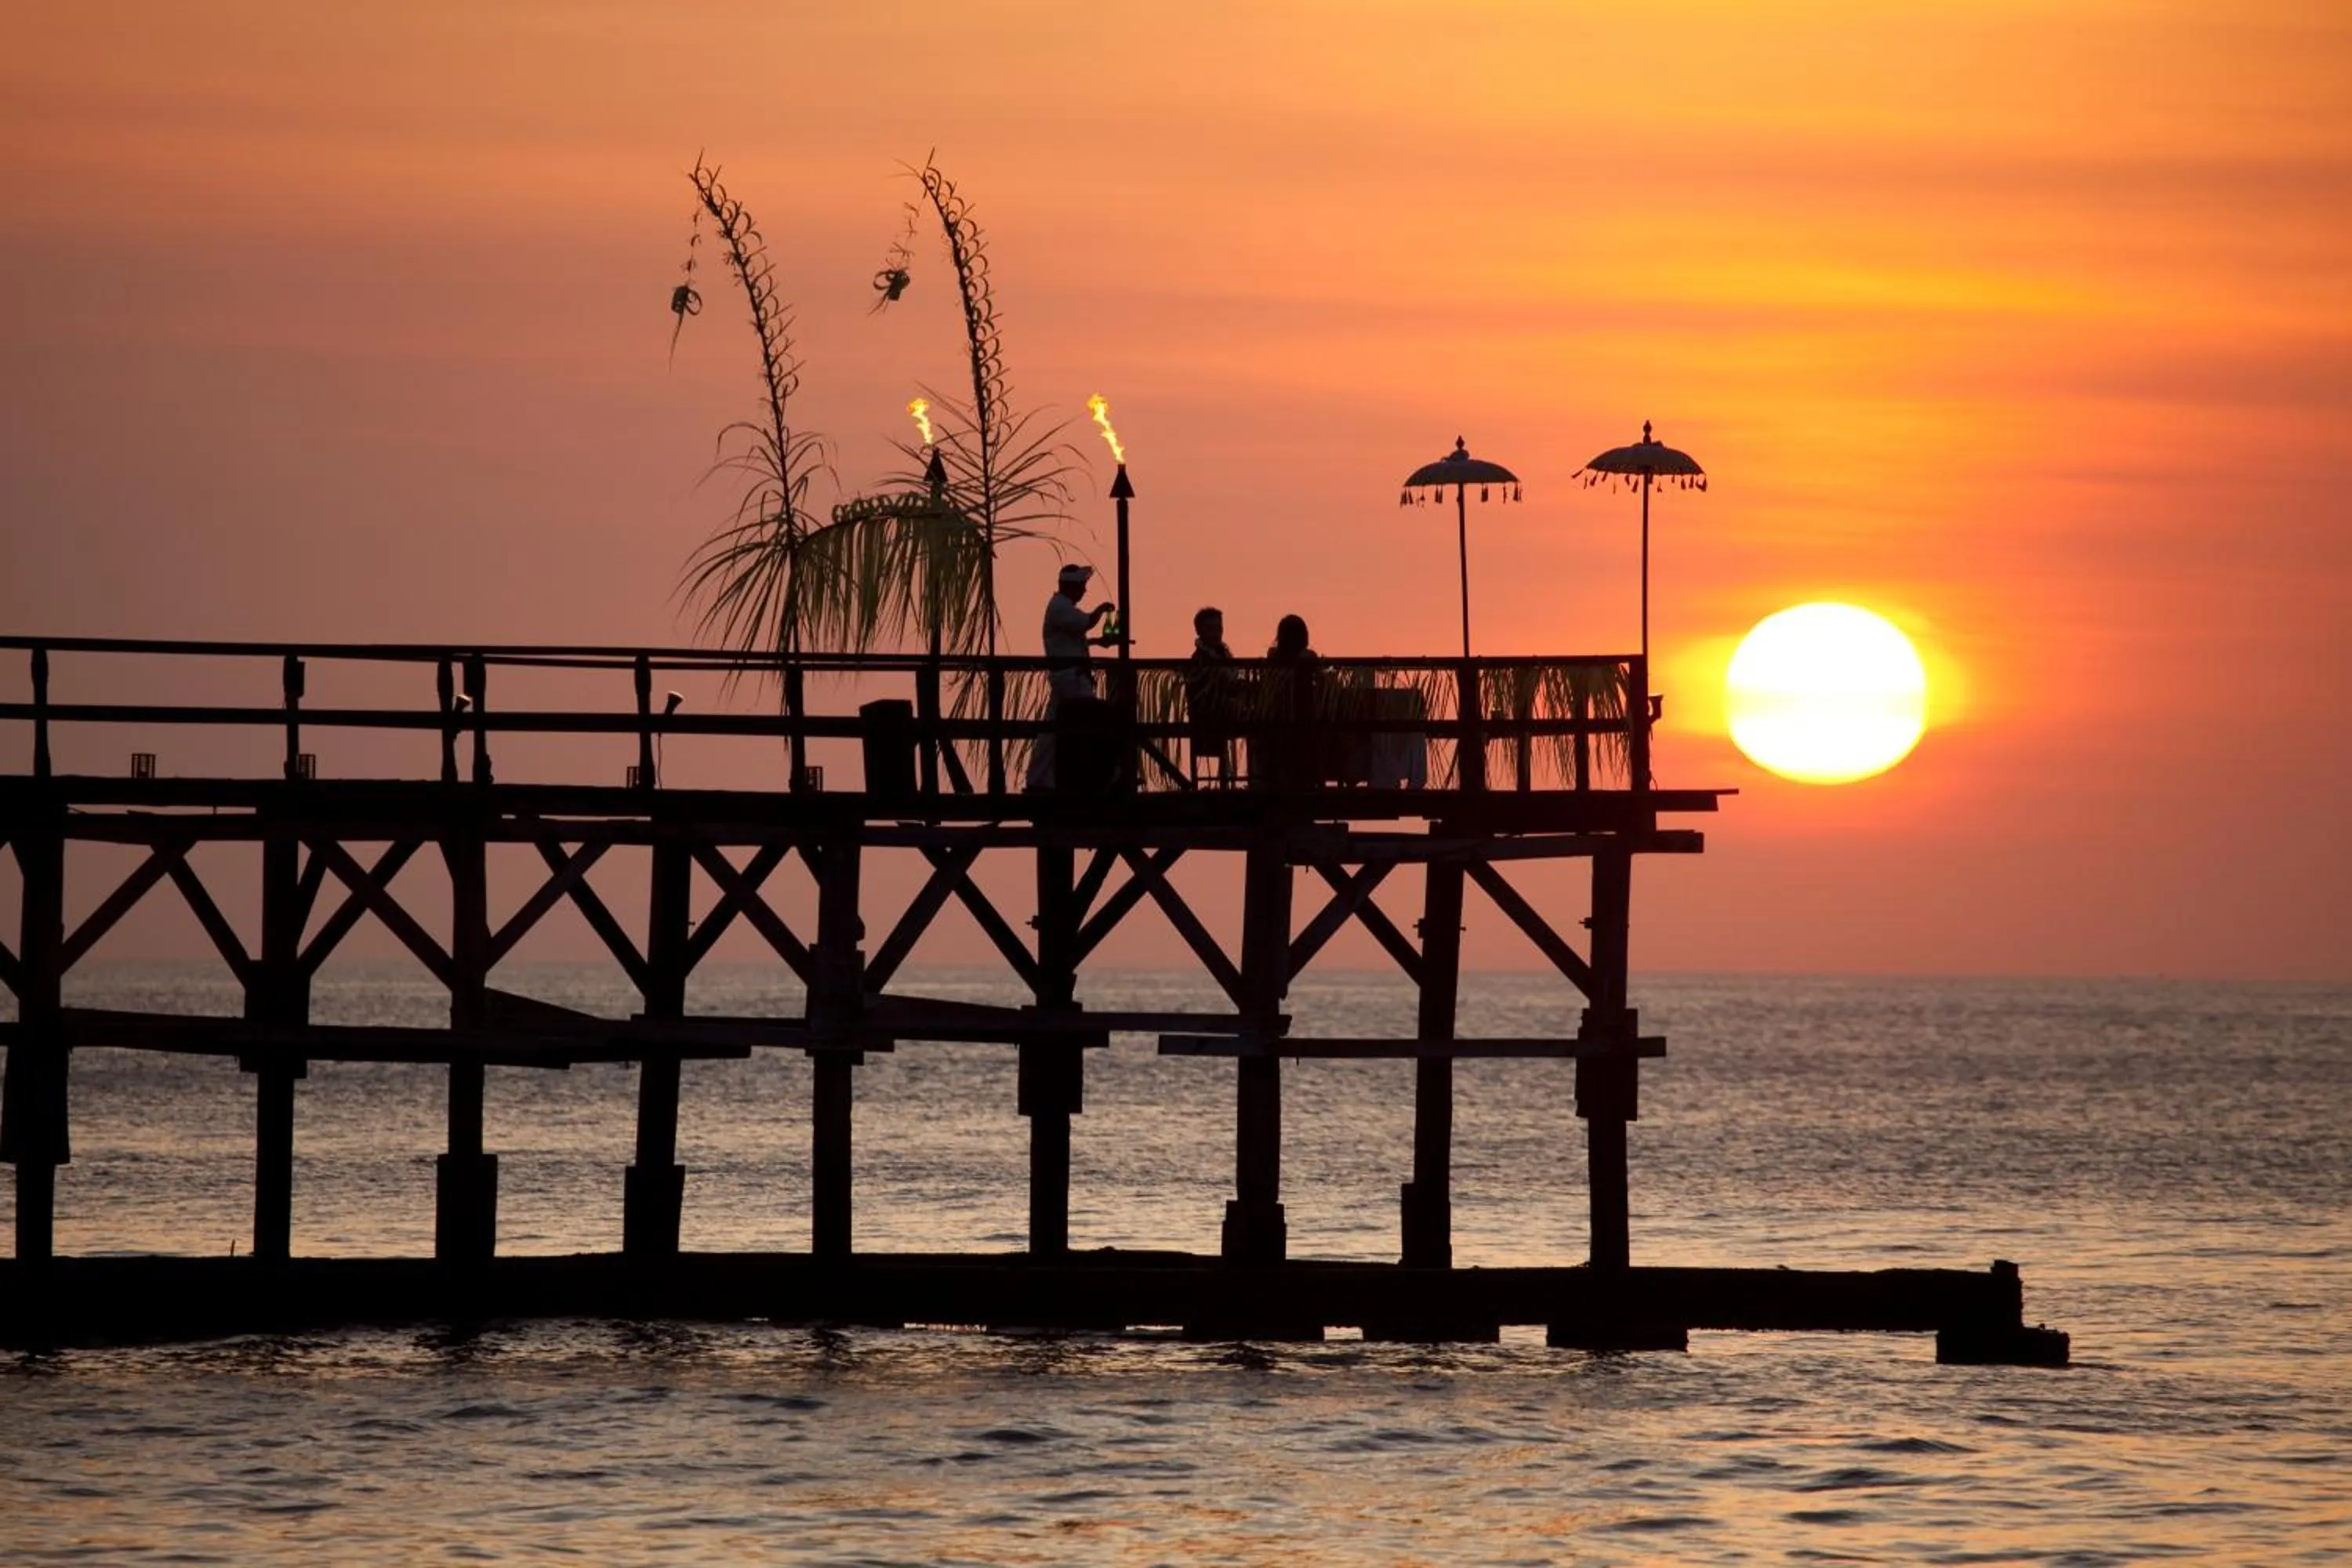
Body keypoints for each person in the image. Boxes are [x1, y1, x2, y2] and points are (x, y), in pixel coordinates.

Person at [1024, 563, 1119, 789]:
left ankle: (1040, 779)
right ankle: (1101, 776)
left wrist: (1097, 642)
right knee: (1094, 719)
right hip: (1070, 678)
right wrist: (1102, 609)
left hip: (1067, 677)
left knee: (1052, 730)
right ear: (1073, 587)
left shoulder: (1061, 607)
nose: (1085, 591)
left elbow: (1074, 639)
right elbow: (1085, 623)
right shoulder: (1060, 608)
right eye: (1083, 586)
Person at [1184, 606, 1240, 782]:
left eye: (1219, 628)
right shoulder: (1199, 659)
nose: (1217, 633)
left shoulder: (1224, 655)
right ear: (1199, 631)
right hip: (1208, 716)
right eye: (1211, 628)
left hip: (1226, 712)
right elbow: (1198, 692)